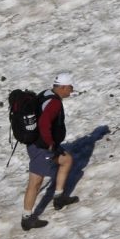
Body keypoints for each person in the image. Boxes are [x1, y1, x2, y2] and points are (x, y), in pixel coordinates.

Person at [21, 73, 80, 230]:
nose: (71, 90)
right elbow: (44, 123)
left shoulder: (47, 93)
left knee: (66, 160)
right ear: (62, 87)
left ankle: (59, 197)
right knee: (35, 181)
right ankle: (27, 218)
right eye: (70, 87)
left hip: (41, 144)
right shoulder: (53, 103)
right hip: (41, 147)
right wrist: (49, 144)